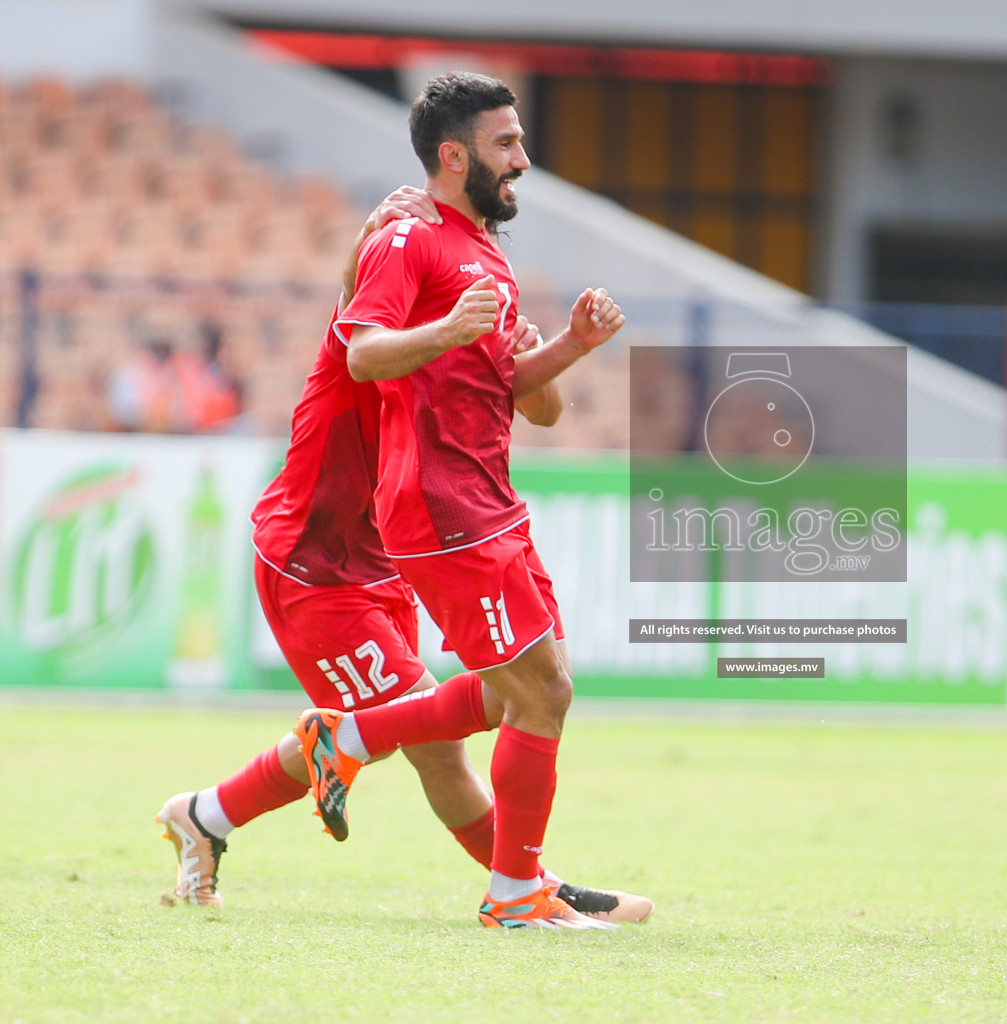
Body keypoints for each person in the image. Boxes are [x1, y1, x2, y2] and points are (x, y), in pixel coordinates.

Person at [156, 187, 651, 925]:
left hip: (387, 552)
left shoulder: (453, 328)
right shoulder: (384, 326)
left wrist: (553, 346)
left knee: (484, 704)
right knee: (442, 738)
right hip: (315, 564)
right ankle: (527, 887)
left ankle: (208, 815)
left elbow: (533, 402)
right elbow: (362, 320)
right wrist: (383, 251)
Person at [297, 71, 630, 931]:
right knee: (541, 692)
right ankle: (516, 893)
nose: (523, 158)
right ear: (455, 156)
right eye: (505, 144)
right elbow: (363, 355)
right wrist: (447, 329)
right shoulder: (410, 239)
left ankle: (355, 740)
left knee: (526, 686)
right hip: (439, 506)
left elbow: (523, 396)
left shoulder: (486, 253)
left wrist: (571, 346)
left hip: (489, 499)